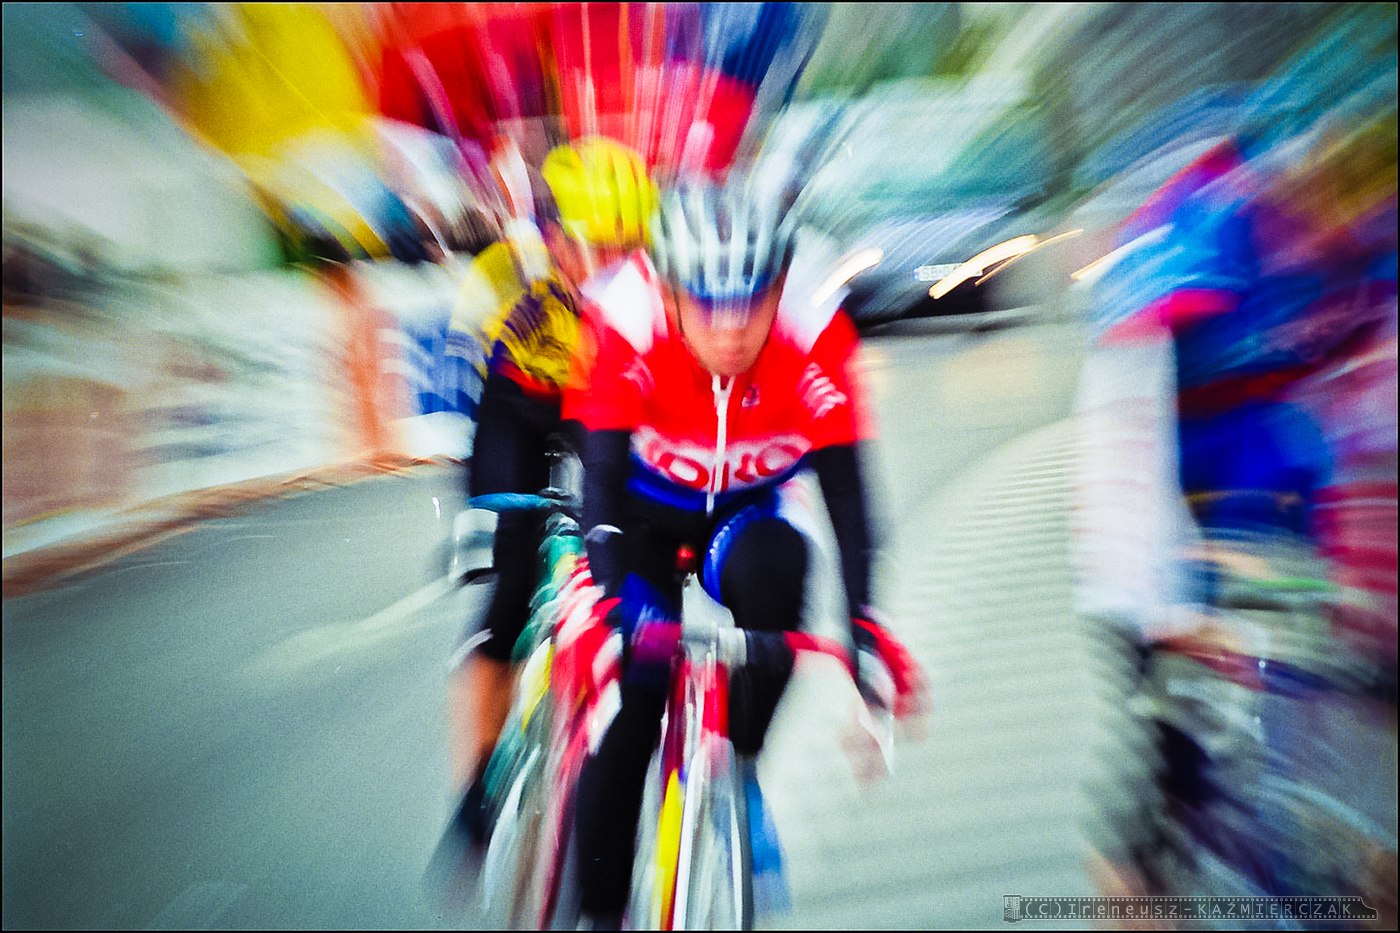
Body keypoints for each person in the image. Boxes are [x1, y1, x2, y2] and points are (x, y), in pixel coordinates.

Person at [564, 173, 928, 927]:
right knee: (636, 696)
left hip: (745, 514)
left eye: (752, 302)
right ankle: (599, 912)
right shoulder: (628, 317)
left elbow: (849, 496)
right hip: (639, 519)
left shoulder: (815, 328)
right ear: (671, 294)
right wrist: (608, 602)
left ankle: (739, 765)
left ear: (779, 289)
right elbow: (597, 482)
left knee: (778, 583)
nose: (731, 330)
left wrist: (865, 630)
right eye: (708, 304)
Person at [452, 136, 658, 842]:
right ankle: (479, 775)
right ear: (557, 242)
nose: (612, 265)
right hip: (521, 407)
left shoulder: (649, 294)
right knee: (510, 583)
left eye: (627, 247)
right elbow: (472, 405)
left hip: (601, 413)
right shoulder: (512, 284)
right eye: (596, 247)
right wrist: (484, 516)